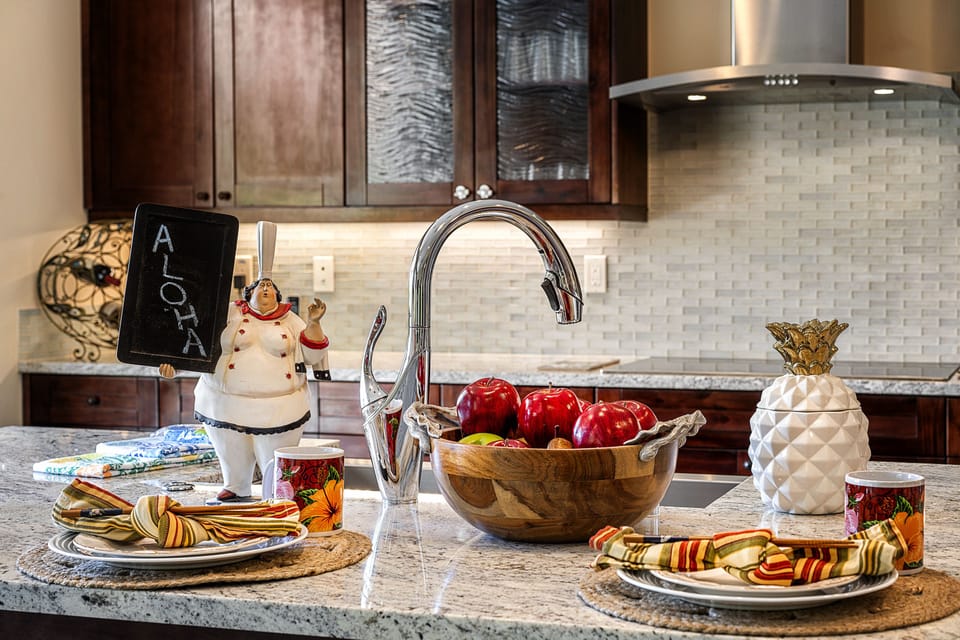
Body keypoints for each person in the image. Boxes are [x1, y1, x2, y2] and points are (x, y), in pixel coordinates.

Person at [159, 222, 331, 501]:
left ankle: (276, 496)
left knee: (274, 460)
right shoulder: (227, 314)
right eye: (261, 286)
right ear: (248, 293)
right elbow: (196, 338)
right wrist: (176, 365)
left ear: (278, 296)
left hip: (279, 407)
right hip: (224, 403)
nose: (265, 289)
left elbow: (312, 356)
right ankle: (236, 485)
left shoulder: (291, 321)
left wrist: (313, 324)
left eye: (270, 287)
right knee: (231, 450)